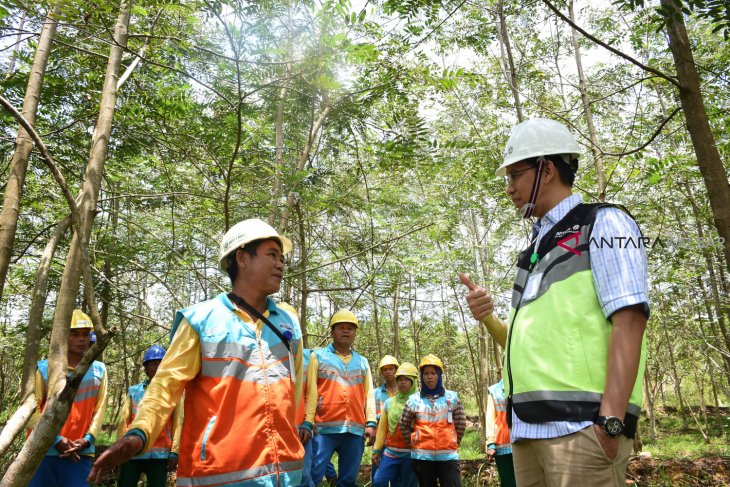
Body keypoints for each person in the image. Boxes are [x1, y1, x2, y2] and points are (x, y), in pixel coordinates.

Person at [459, 118, 649, 486]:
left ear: (545, 170)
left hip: (581, 430)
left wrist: (610, 423)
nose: (510, 188)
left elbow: (630, 321)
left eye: (515, 175)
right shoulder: (530, 254)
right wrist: (489, 318)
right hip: (527, 434)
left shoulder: (606, 223)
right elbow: (522, 346)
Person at [89, 218, 305, 486]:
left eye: (281, 257)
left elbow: (295, 391)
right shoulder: (201, 321)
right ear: (242, 258)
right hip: (217, 475)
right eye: (271, 254)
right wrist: (139, 432)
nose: (280, 264)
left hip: (285, 476)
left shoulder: (288, 324)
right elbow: (165, 385)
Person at [29, 309, 108, 487]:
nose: (82, 339)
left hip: (79, 454)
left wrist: (88, 439)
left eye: (86, 334)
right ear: (64, 337)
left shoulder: (99, 370)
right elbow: (32, 411)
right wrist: (55, 439)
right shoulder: (44, 368)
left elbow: (100, 409)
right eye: (75, 334)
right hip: (42, 451)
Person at [301, 309, 377, 487]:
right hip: (323, 429)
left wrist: (371, 422)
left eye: (350, 328)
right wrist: (308, 421)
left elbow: (369, 394)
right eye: (341, 327)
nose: (346, 331)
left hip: (354, 430)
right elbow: (311, 392)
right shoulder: (318, 356)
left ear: (355, 334)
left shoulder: (362, 361)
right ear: (332, 332)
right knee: (313, 475)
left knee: (348, 480)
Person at [116, 345, 182, 487]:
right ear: (146, 367)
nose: (156, 366)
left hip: (160, 457)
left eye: (160, 363)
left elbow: (178, 424)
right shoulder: (134, 391)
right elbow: (124, 421)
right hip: (132, 454)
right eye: (153, 363)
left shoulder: (174, 393)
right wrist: (120, 448)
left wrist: (175, 452)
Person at [400, 354, 465, 487]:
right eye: (426, 374)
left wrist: (453, 441)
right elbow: (404, 425)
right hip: (422, 457)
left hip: (448, 456)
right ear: (422, 377)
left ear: (439, 375)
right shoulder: (413, 400)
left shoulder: (452, 398)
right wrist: (414, 441)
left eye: (433, 373)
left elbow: (460, 423)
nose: (430, 377)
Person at [372, 362, 419, 487]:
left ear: (413, 382)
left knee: (408, 484)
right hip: (390, 452)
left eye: (406, 380)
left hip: (411, 454)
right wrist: (376, 450)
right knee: (379, 482)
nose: (402, 382)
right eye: (400, 379)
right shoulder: (389, 403)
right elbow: (382, 429)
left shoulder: (420, 402)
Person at [373, 355, 399, 482]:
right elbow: (370, 414)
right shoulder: (375, 393)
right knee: (378, 477)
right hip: (380, 440)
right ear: (382, 372)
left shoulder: (405, 391)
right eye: (385, 369)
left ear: (396, 370)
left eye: (391, 369)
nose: (388, 372)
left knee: (398, 478)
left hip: (399, 441)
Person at [485, 379, 515, 487]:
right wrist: (490, 443)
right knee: (509, 483)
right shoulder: (494, 390)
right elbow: (490, 418)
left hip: (523, 442)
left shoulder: (523, 384)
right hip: (503, 447)